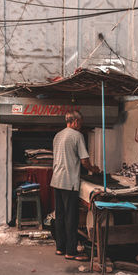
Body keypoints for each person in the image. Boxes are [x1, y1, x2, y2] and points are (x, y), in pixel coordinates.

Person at [50, 110, 100, 261]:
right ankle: (71, 251)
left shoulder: (58, 135)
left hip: (56, 180)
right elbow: (84, 160)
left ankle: (60, 248)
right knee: (71, 217)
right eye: (81, 123)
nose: (81, 126)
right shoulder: (77, 136)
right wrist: (94, 170)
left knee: (60, 215)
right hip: (69, 182)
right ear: (76, 121)